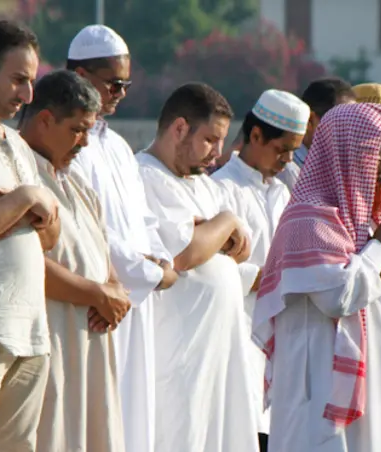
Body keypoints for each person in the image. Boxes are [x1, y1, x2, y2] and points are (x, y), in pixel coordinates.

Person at [252, 102, 381, 452]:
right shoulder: (308, 221)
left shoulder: (376, 221)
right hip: (322, 402)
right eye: (378, 150)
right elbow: (340, 296)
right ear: (346, 153)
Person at [67, 25, 178, 452]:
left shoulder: (116, 147)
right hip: (100, 301)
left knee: (136, 418)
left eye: (126, 84)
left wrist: (163, 263)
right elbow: (90, 231)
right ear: (80, 75)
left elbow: (143, 219)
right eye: (114, 83)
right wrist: (146, 272)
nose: (121, 93)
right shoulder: (70, 144)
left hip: (138, 301)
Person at [137, 82, 258, 452]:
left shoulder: (204, 185)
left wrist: (215, 230)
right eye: (210, 139)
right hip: (178, 359)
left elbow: (239, 250)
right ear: (179, 128)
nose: (218, 154)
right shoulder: (144, 175)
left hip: (220, 356)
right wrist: (223, 222)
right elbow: (186, 253)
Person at [0, 20, 61, 452]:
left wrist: (31, 206)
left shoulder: (20, 146)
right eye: (19, 79)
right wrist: (23, 201)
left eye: (31, 81)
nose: (27, 94)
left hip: (31, 334)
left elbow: (50, 234)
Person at [19, 70, 129, 451]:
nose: (83, 142)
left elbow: (103, 258)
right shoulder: (18, 175)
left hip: (90, 345)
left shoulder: (78, 184)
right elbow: (25, 262)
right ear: (46, 119)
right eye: (77, 130)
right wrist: (98, 295)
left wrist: (115, 293)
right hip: (49, 342)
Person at [210, 88, 310, 451]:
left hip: (282, 340)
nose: (286, 160)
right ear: (255, 136)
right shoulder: (220, 189)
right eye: (281, 149)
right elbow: (208, 268)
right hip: (239, 334)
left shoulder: (283, 195)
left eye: (292, 152)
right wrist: (265, 276)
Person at [277, 77, 355, 189]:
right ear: (310, 119)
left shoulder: (338, 168)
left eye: (353, 124)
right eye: (342, 123)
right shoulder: (286, 170)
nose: (349, 132)